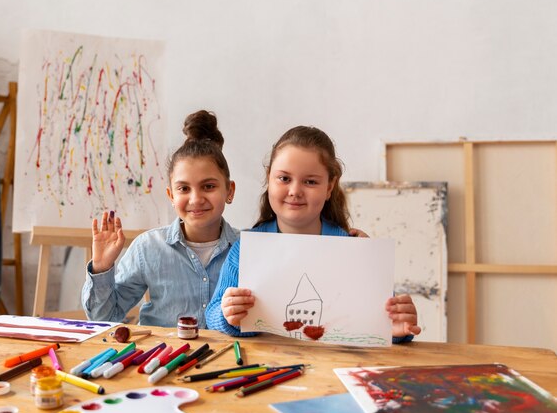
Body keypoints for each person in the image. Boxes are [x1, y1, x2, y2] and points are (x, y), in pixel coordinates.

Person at [205, 125, 421, 343]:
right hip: (268, 370)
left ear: (329, 187)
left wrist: (397, 328)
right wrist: (227, 316)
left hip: (335, 370)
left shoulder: (355, 249)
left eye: (310, 182)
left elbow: (386, 323)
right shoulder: (245, 250)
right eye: (284, 178)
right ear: (268, 179)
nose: (295, 191)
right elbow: (212, 314)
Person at [82, 110, 238, 328]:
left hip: (229, 359)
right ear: (171, 196)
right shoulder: (148, 248)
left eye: (208, 186)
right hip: (162, 357)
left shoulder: (246, 249)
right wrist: (101, 267)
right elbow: (103, 318)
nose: (195, 199)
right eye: (184, 188)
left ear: (229, 191)